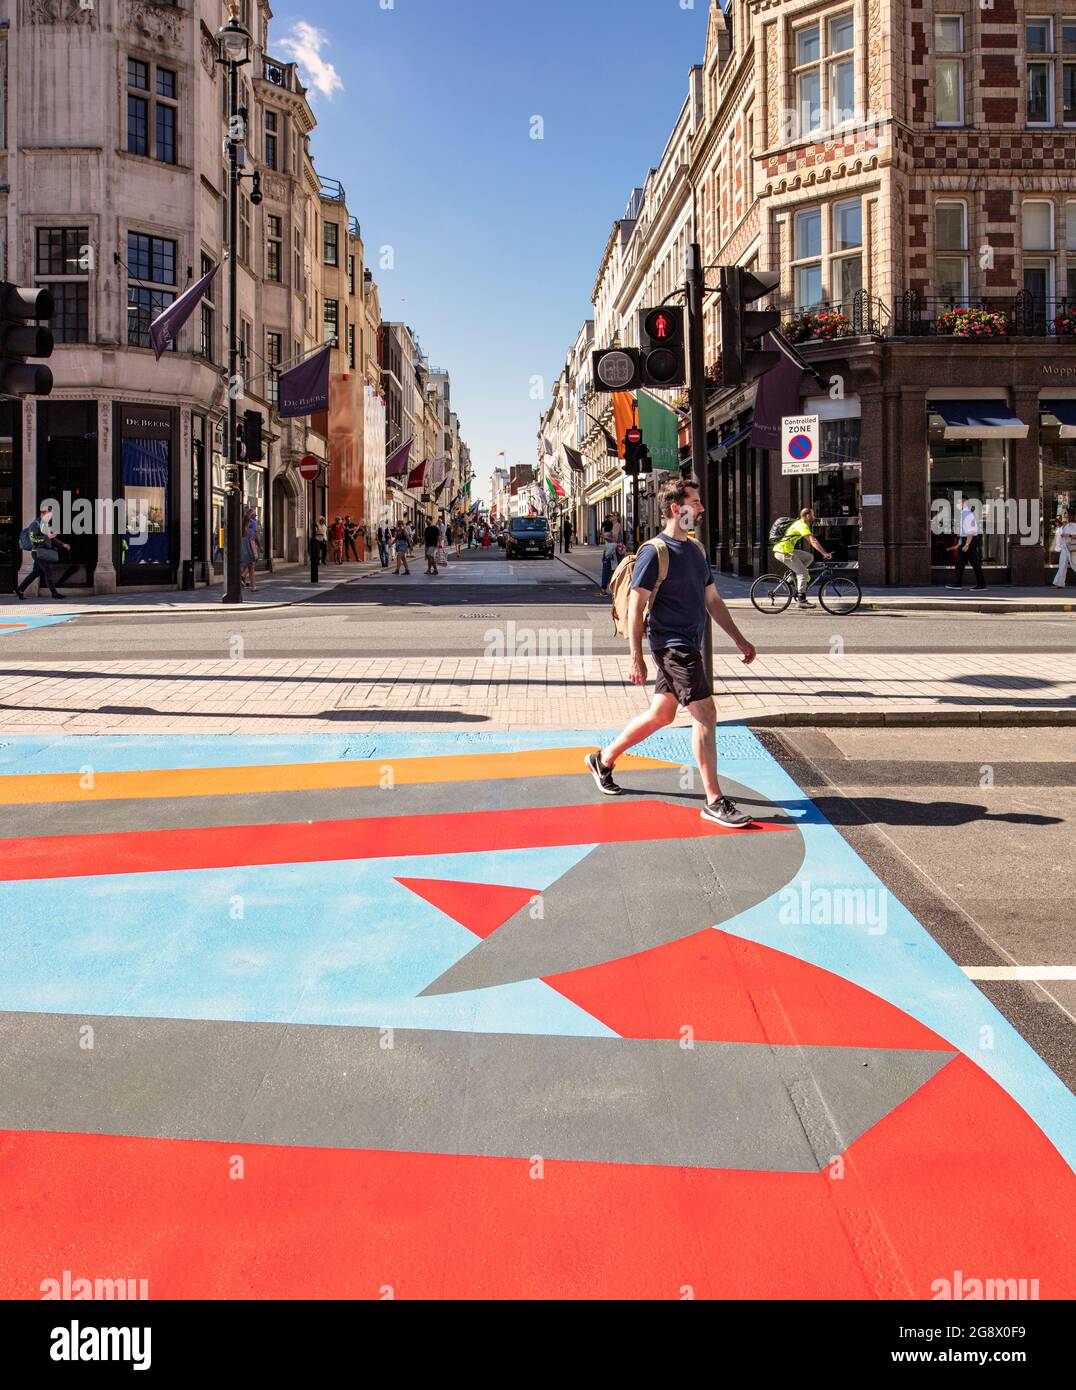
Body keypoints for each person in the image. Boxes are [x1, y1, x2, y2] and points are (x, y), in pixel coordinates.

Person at [585, 478, 757, 827]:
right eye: (696, 502)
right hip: (672, 646)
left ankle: (603, 759)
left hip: (688, 644)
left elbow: (713, 600)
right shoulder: (655, 552)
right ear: (677, 509)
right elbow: (636, 607)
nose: (702, 508)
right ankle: (714, 800)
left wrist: (739, 638)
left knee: (662, 714)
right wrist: (636, 656)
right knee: (706, 714)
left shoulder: (697, 551)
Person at [772, 507, 832, 608]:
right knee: (803, 572)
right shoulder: (801, 525)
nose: (814, 517)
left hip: (786, 550)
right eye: (812, 515)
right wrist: (824, 553)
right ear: (807, 516)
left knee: (808, 557)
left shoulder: (799, 523)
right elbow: (812, 541)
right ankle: (801, 600)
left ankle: (792, 577)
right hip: (783, 552)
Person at [15, 503, 70, 601]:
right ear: (43, 513)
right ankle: (54, 593)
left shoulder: (45, 524)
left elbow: (52, 538)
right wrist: (46, 537)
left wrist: (62, 544)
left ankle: (20, 590)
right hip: (39, 552)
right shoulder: (34, 525)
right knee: (48, 572)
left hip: (43, 552)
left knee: (35, 573)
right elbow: (33, 539)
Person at [946, 497, 986, 591]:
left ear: (965, 503)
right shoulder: (963, 514)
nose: (958, 504)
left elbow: (971, 531)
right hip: (965, 540)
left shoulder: (968, 515)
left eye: (960, 502)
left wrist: (967, 544)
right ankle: (958, 583)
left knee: (974, 563)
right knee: (960, 563)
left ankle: (981, 585)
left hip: (969, 541)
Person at [598, 512, 622, 596]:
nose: (610, 517)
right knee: (611, 569)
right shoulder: (612, 526)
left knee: (607, 569)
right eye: (610, 516)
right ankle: (609, 589)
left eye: (612, 516)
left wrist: (604, 537)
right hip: (610, 549)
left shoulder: (616, 525)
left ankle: (604, 590)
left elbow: (614, 539)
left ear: (616, 517)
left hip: (612, 551)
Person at [1053, 506, 1076, 588]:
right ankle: (1059, 583)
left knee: (1074, 565)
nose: (1064, 514)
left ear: (1070, 515)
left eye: (1066, 513)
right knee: (1062, 565)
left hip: (1071, 548)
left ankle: (1060, 583)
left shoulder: (1073, 525)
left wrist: (1067, 535)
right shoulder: (1066, 524)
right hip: (1065, 548)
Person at [240, 510, 259, 591]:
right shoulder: (250, 532)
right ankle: (253, 587)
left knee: (244, 567)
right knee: (251, 569)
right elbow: (252, 543)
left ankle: (242, 579)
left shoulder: (239, 532)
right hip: (249, 552)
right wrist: (256, 553)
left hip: (241, 552)